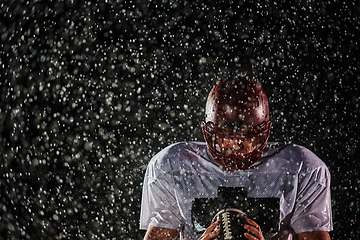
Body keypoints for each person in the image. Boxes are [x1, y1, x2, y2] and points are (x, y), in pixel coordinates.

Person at [140, 76, 333, 240]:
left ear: (263, 132)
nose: (233, 145)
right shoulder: (172, 165)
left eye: (245, 136)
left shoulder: (303, 168)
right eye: (224, 136)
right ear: (208, 131)